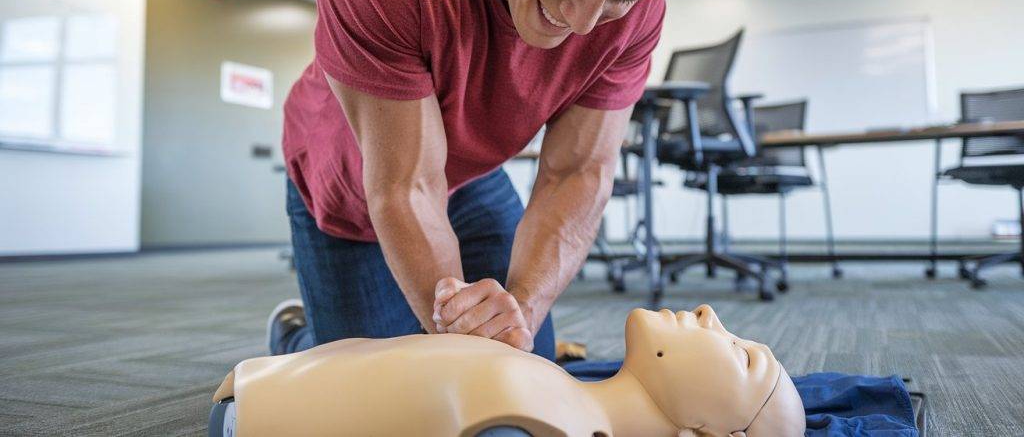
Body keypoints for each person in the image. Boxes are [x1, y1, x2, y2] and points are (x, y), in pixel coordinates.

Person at [272, 0, 724, 360]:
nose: (584, 22)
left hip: (471, 174)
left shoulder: (638, 14)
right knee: (380, 392)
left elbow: (578, 171)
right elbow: (409, 185)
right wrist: (460, 336)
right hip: (351, 175)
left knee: (526, 363)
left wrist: (518, 317)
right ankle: (298, 336)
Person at [214, 305, 806, 436]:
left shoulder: (551, 415)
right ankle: (295, 334)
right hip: (267, 386)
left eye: (743, 354)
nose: (711, 314)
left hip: (255, 414)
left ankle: (296, 334)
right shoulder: (555, 394)